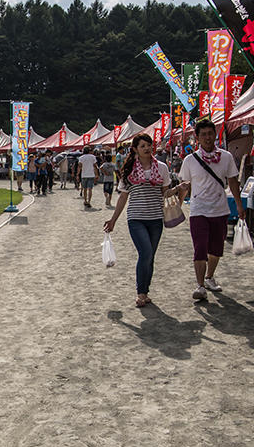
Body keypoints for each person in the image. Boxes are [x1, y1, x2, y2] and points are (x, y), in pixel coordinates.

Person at [104, 134, 183, 308]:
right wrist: (113, 219)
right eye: (143, 146)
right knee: (145, 253)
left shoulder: (161, 168)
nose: (147, 148)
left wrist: (177, 189)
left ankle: (145, 291)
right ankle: (140, 293)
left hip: (156, 218)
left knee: (150, 256)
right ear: (135, 149)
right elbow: (123, 197)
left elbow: (165, 193)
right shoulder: (129, 169)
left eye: (149, 145)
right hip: (136, 218)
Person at [179, 119, 244, 301]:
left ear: (215, 135)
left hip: (220, 209)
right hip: (198, 209)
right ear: (197, 138)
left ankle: (209, 277)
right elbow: (185, 185)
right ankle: (200, 286)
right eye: (203, 135)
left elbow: (233, 181)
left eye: (210, 133)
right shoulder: (190, 160)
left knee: (216, 248)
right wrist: (178, 204)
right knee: (200, 247)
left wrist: (239, 205)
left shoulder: (226, 157)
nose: (207, 138)